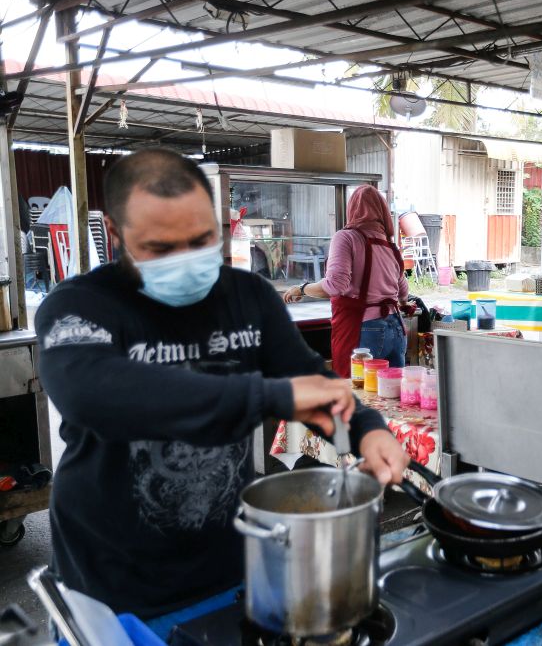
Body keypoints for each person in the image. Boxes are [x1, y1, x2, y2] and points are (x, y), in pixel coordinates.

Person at [34, 148, 410, 624]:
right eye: (160, 248)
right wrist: (269, 396)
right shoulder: (81, 309)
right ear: (114, 232)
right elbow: (93, 392)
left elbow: (311, 378)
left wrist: (369, 428)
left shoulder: (246, 297)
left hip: (232, 571)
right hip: (110, 590)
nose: (186, 261)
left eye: (201, 239)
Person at [283, 185, 409, 377]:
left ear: (352, 209)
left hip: (367, 330)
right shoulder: (389, 244)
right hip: (396, 328)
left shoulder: (346, 237)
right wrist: (402, 304)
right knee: (391, 397)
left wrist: (302, 289)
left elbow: (335, 286)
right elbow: (402, 291)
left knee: (358, 397)